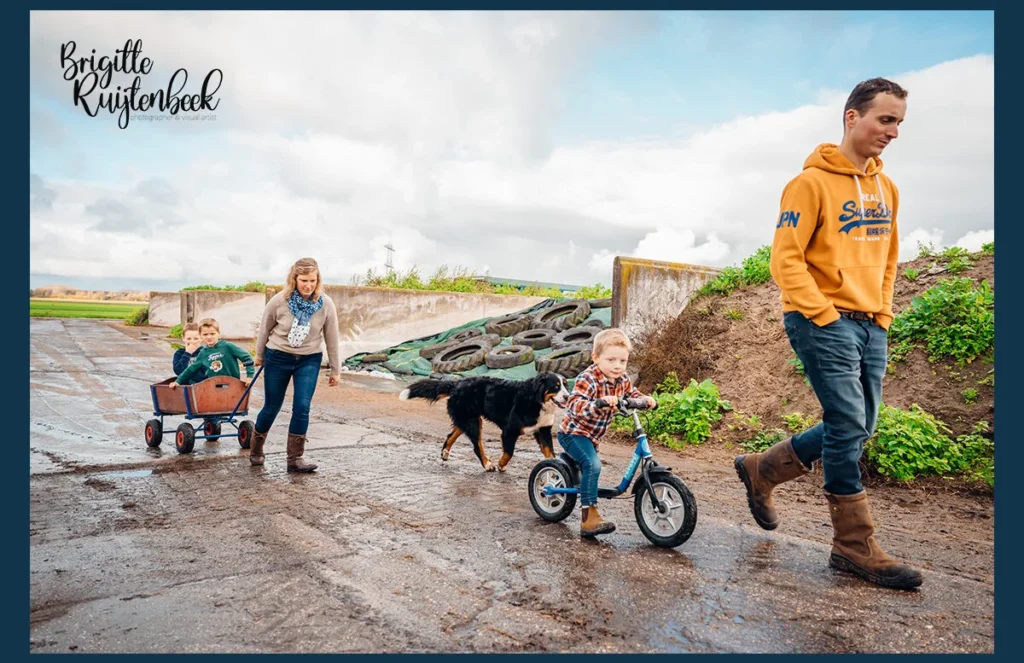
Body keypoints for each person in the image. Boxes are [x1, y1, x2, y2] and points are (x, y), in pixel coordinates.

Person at [734, 77, 922, 590]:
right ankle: (853, 544)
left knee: (859, 424)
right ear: (851, 117)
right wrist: (824, 314)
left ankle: (763, 469)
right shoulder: (809, 184)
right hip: (823, 320)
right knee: (846, 420)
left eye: (899, 122)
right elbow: (785, 260)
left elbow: (888, 259)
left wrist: (881, 313)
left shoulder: (887, 188)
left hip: (870, 322)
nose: (893, 132)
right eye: (885, 119)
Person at [558, 328, 657, 537]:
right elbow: (574, 405)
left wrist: (645, 399)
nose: (617, 366)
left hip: (593, 436)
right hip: (574, 433)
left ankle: (588, 492)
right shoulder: (588, 378)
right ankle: (589, 518)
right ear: (596, 358)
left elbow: (632, 392)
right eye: (611, 360)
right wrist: (598, 404)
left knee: (589, 465)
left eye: (622, 361)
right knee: (592, 465)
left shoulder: (622, 379)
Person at [250, 257, 341, 473]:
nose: (308, 285)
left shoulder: (325, 304)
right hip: (278, 357)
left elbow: (332, 337)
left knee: (302, 406)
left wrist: (336, 370)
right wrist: (260, 356)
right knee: (272, 406)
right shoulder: (279, 301)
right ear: (294, 279)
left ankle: (295, 459)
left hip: (309, 359)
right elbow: (264, 329)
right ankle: (256, 448)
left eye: (312, 280)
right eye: (304, 281)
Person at [169, 318, 255, 387]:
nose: (209, 337)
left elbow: (247, 358)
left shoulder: (227, 346)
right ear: (201, 335)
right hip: (213, 387)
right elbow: (191, 369)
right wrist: (178, 381)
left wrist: (250, 376)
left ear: (218, 333)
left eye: (212, 334)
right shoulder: (203, 353)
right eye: (205, 334)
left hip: (231, 385)